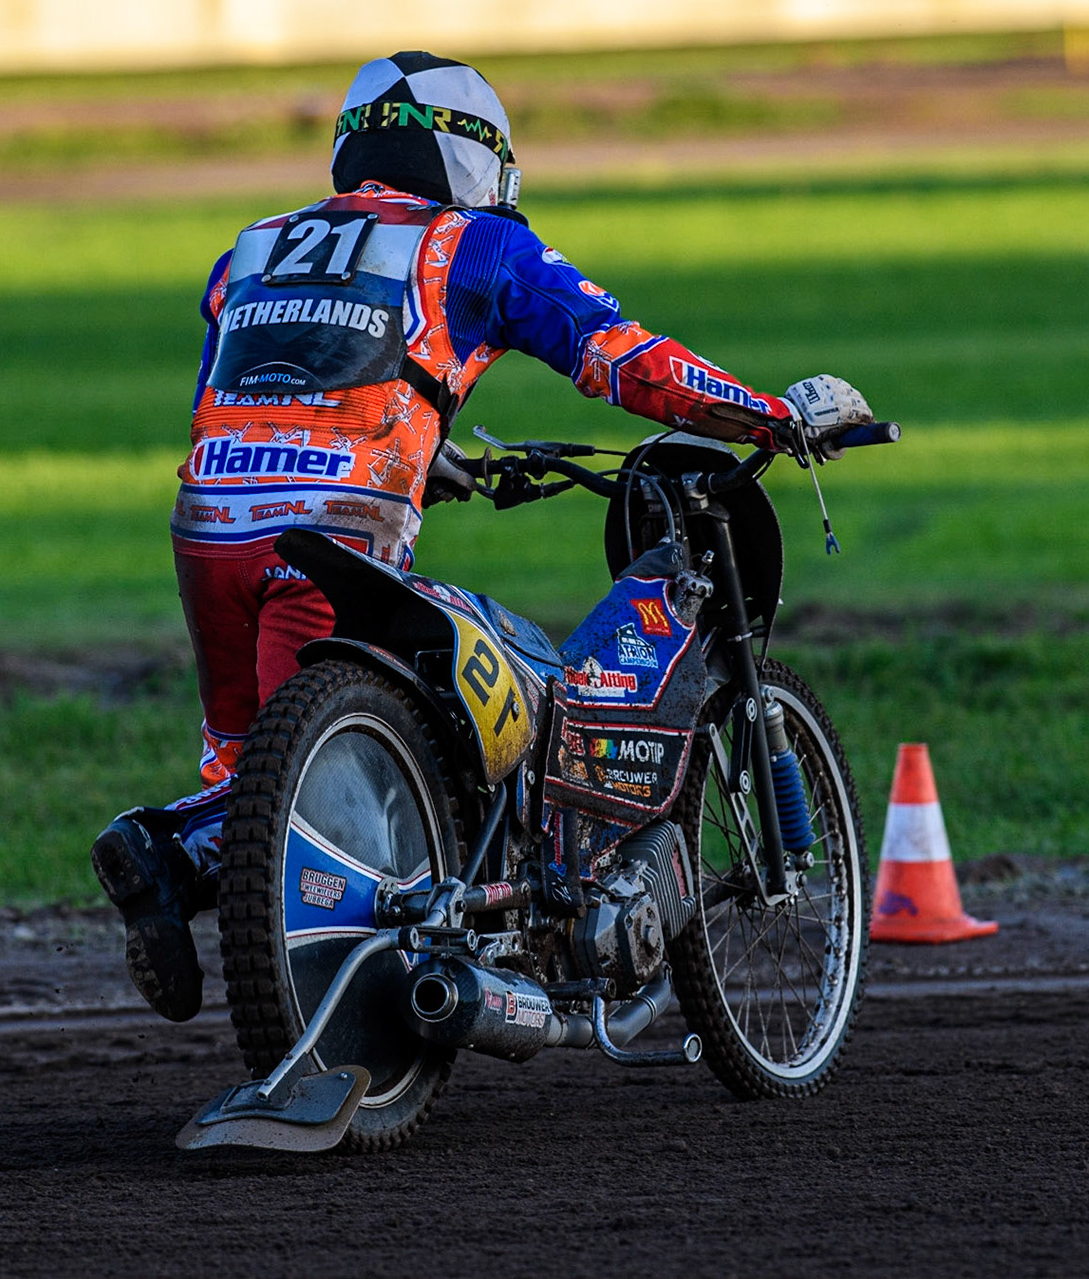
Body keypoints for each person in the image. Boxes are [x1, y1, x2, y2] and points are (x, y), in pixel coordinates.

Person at [91, 51, 877, 1022]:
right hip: (336, 530)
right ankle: (343, 966)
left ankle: (164, 854)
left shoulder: (252, 248)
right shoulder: (472, 244)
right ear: (471, 157)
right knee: (402, 744)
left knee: (256, 779)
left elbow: (272, 387)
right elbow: (621, 358)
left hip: (210, 527)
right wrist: (766, 416)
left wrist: (432, 455)